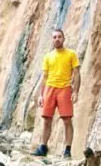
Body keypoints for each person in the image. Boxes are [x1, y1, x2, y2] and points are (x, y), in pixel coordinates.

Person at [34, 28, 81, 158]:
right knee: (47, 120)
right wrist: (41, 95)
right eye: (54, 37)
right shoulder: (47, 56)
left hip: (65, 88)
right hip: (49, 88)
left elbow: (77, 73)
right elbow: (44, 76)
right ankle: (43, 147)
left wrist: (76, 91)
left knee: (67, 120)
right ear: (52, 40)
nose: (57, 39)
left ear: (64, 38)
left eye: (59, 37)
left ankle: (67, 150)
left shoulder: (71, 54)